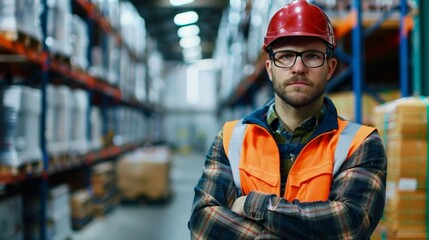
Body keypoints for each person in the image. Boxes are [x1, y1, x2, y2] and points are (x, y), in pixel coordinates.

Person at [188, 0, 387, 239]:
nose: (298, 67)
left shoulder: (361, 143)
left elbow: (349, 223)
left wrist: (253, 205)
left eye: (312, 56)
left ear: (330, 68)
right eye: (286, 56)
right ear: (270, 68)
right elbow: (203, 221)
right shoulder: (231, 138)